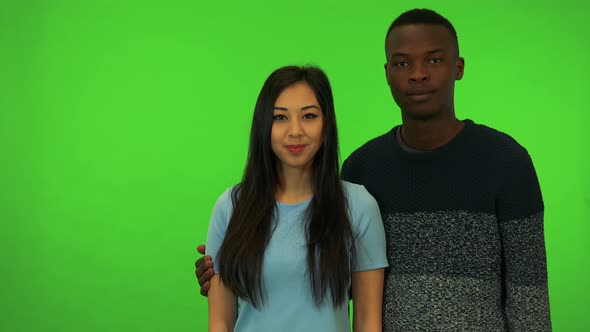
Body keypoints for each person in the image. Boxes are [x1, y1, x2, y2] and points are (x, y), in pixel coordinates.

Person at [197, 9, 552, 331]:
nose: (417, 74)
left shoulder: (507, 162)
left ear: (458, 67)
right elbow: (330, 285)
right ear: (387, 73)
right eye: (402, 63)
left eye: (434, 59)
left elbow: (529, 297)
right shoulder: (363, 169)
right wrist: (237, 267)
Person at [204, 65, 388, 332]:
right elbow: (220, 322)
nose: (295, 131)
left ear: (326, 125)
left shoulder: (358, 205)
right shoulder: (231, 207)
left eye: (309, 116)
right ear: (263, 125)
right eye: (280, 118)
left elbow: (367, 321)